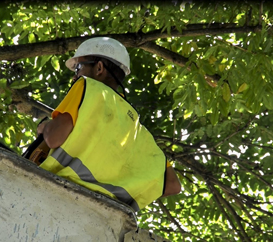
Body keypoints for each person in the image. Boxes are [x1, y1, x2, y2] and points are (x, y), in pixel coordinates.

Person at [36, 37, 181, 211]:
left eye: (78, 67)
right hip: (101, 212)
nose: (75, 76)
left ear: (99, 68)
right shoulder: (137, 130)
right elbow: (173, 185)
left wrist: (45, 127)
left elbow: (53, 138)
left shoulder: (87, 87)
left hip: (55, 194)